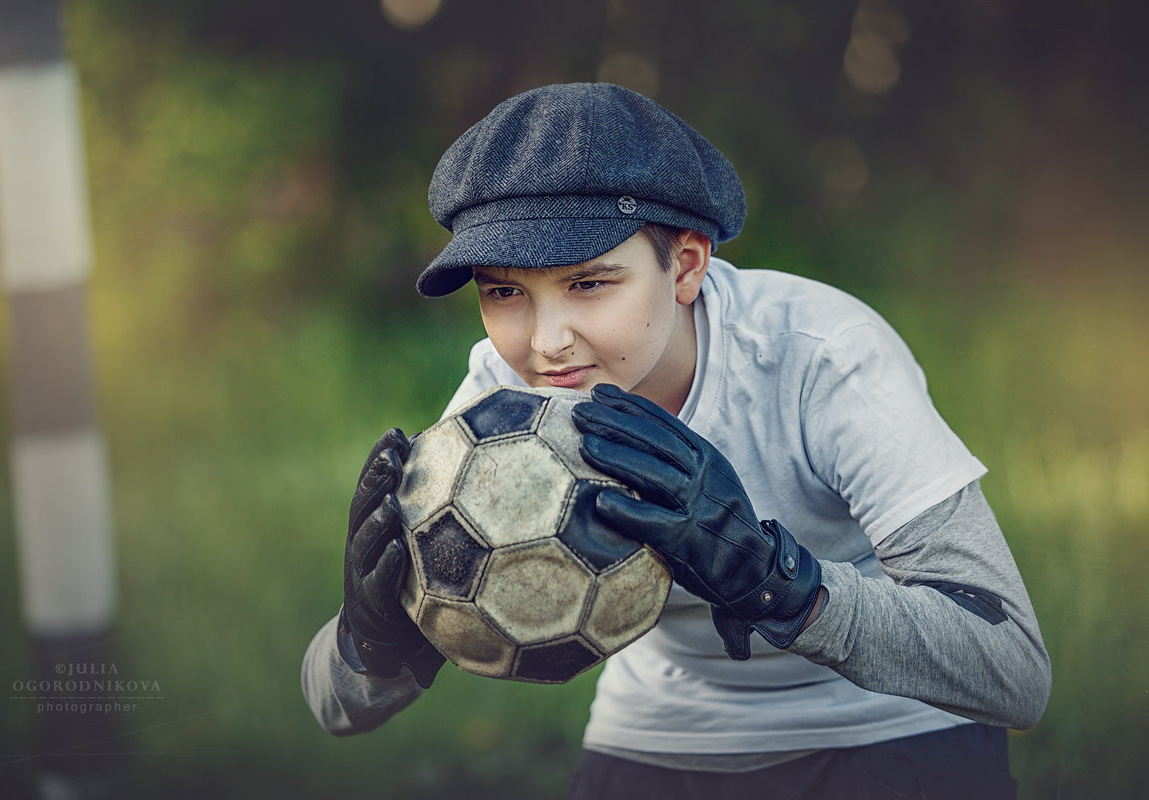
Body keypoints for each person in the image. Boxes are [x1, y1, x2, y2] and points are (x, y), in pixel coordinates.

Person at [301, 82, 1050, 799]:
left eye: (589, 284)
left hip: (887, 724)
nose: (546, 342)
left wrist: (781, 584)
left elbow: (1013, 671)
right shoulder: (504, 406)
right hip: (662, 730)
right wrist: (373, 638)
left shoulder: (822, 358)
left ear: (686, 264)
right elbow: (339, 711)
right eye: (505, 292)